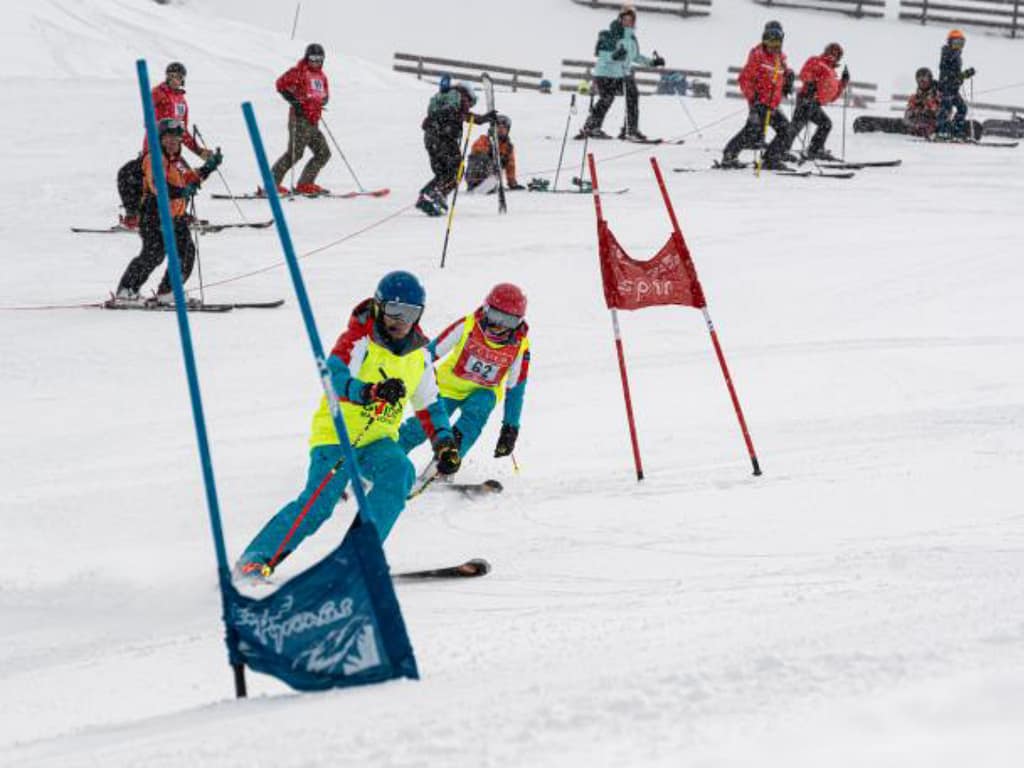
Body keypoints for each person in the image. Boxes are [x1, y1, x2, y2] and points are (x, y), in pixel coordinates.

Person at [235, 271, 462, 579]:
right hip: (337, 438)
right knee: (319, 505)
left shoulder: (418, 356)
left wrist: (445, 443)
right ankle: (255, 559)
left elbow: (430, 406)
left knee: (400, 472)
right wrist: (369, 392)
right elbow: (334, 376)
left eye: (411, 313)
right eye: (394, 311)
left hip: (377, 442)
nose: (401, 321)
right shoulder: (359, 339)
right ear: (380, 308)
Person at [398, 283, 530, 474]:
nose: (499, 326)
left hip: (484, 391)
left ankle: (448, 461)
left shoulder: (519, 346)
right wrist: (403, 377)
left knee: (479, 409)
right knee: (423, 426)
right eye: (495, 316)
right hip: (447, 386)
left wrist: (510, 428)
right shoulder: (468, 326)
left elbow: (516, 389)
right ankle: (388, 456)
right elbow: (429, 354)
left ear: (517, 322)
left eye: (507, 321)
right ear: (485, 310)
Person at [109, 119, 222, 307]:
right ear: (160, 139)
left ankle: (168, 291)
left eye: (176, 139)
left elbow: (188, 179)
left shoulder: (177, 160)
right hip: (154, 214)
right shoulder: (154, 159)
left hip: (174, 216)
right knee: (154, 254)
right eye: (168, 138)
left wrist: (208, 167)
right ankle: (127, 291)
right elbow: (157, 186)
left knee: (185, 253)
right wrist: (182, 192)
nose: (172, 142)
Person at [116, 62, 211, 230]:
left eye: (178, 77)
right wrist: (160, 130)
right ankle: (135, 216)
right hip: (155, 148)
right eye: (171, 76)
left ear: (183, 79)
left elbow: (183, 131)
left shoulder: (181, 101)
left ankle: (179, 214)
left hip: (173, 151)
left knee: (185, 177)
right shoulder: (158, 93)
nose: (175, 79)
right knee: (148, 182)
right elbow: (148, 116)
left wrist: (198, 150)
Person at [576, 4, 665, 141]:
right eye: (625, 19)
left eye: (631, 20)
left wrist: (652, 62)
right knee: (607, 98)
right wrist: (614, 55)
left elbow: (635, 57)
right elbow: (603, 56)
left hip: (623, 73)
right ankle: (591, 127)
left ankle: (630, 130)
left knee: (633, 96)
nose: (628, 22)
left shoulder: (632, 39)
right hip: (606, 73)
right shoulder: (611, 34)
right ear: (620, 19)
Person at [721, 21, 794, 170]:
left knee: (785, 130)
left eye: (777, 41)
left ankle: (771, 158)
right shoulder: (758, 56)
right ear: (764, 40)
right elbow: (744, 79)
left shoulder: (780, 58)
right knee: (753, 131)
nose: (773, 45)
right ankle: (729, 155)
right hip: (760, 102)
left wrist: (788, 80)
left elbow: (780, 76)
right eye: (770, 40)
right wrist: (753, 99)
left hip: (772, 103)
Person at [416, 78, 495, 216]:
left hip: (430, 138)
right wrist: (483, 119)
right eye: (470, 103)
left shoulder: (443, 97)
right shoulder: (460, 96)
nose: (469, 105)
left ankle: (426, 197)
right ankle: (436, 195)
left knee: (442, 173)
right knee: (456, 171)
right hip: (444, 138)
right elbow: (462, 115)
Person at [267, 43, 331, 196]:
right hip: (299, 119)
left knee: (323, 153)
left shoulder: (321, 76)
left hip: (313, 120)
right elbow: (280, 84)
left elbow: (325, 95)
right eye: (312, 58)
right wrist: (294, 101)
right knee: (294, 153)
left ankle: (305, 184)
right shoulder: (299, 72)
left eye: (319, 59)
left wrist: (321, 101)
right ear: (306, 57)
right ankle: (271, 184)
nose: (315, 61)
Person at [788, 42, 849, 161]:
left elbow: (832, 97)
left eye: (837, 54)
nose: (833, 55)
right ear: (826, 51)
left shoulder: (832, 73)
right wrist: (811, 82)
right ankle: (812, 150)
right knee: (801, 125)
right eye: (831, 51)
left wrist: (843, 82)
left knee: (817, 124)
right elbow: (804, 73)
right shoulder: (816, 60)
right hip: (806, 98)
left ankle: (813, 149)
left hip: (815, 102)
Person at [464, 115, 524, 193]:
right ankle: (477, 185)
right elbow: (477, 151)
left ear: (508, 130)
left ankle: (490, 184)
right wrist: (491, 151)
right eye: (498, 127)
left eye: (504, 127)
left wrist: (512, 184)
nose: (501, 129)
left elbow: (510, 166)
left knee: (498, 164)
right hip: (476, 174)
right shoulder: (484, 139)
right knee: (482, 158)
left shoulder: (508, 147)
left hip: (492, 177)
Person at [936, 29, 975, 139]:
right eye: (956, 43)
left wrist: (964, 75)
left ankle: (956, 130)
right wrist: (963, 75)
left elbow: (957, 75)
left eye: (961, 43)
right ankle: (941, 132)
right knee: (945, 109)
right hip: (946, 88)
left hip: (954, 89)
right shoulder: (947, 54)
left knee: (962, 108)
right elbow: (949, 74)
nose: (958, 46)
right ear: (950, 42)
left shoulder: (957, 55)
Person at [904, 67, 941, 137]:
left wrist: (931, 106)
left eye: (925, 79)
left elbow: (944, 114)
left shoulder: (938, 93)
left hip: (935, 126)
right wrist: (915, 110)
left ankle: (928, 129)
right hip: (918, 126)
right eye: (919, 79)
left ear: (930, 79)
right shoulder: (915, 97)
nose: (922, 82)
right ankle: (920, 129)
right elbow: (907, 117)